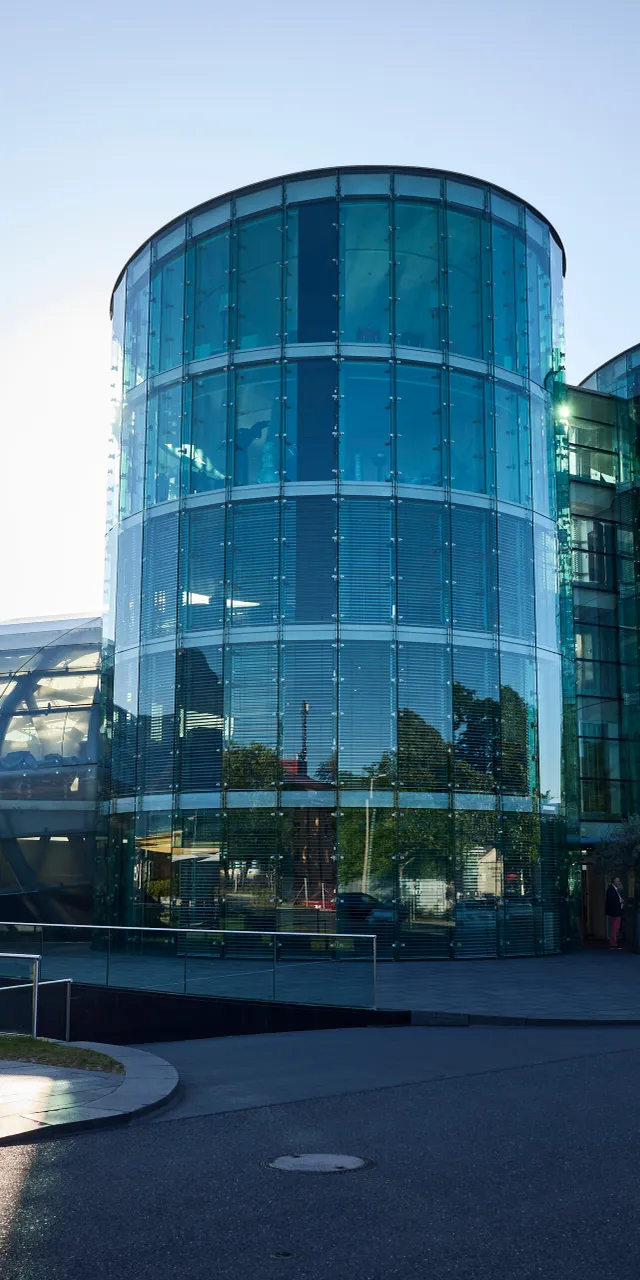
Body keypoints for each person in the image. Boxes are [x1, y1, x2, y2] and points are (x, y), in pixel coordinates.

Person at [605, 877, 624, 950]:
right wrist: (620, 901)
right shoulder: (611, 890)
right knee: (615, 927)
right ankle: (613, 943)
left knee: (615, 927)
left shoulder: (614, 890)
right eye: (618, 881)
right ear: (614, 882)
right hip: (615, 912)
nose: (619, 882)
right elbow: (612, 901)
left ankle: (614, 942)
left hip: (617, 911)